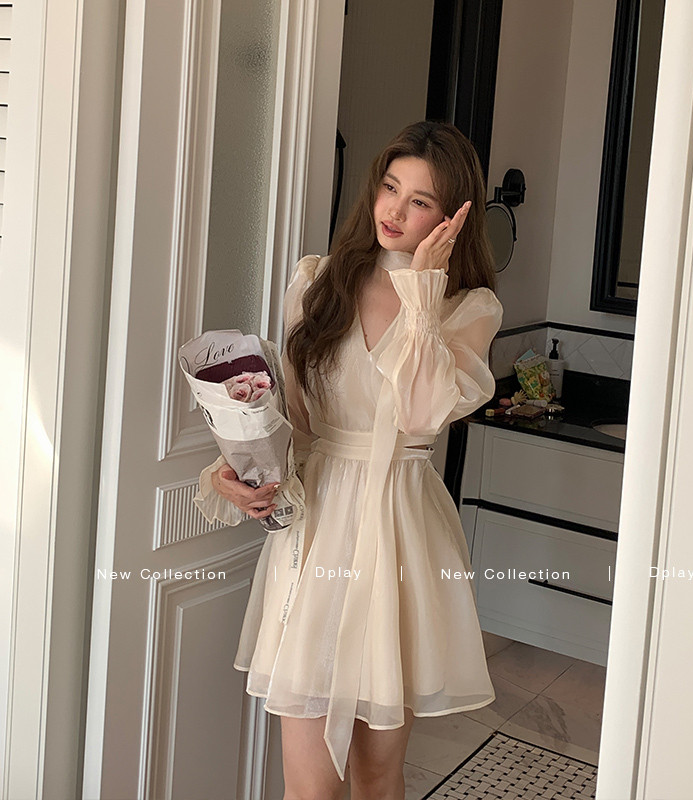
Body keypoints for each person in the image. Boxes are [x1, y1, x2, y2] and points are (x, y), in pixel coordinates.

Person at [198, 120, 503, 800]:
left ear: (452, 217)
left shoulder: (468, 308)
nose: (393, 211)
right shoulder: (319, 281)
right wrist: (237, 471)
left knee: (375, 775)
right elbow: (292, 421)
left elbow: (423, 414)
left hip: (400, 533)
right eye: (390, 187)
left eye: (420, 200)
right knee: (309, 787)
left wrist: (423, 291)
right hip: (315, 535)